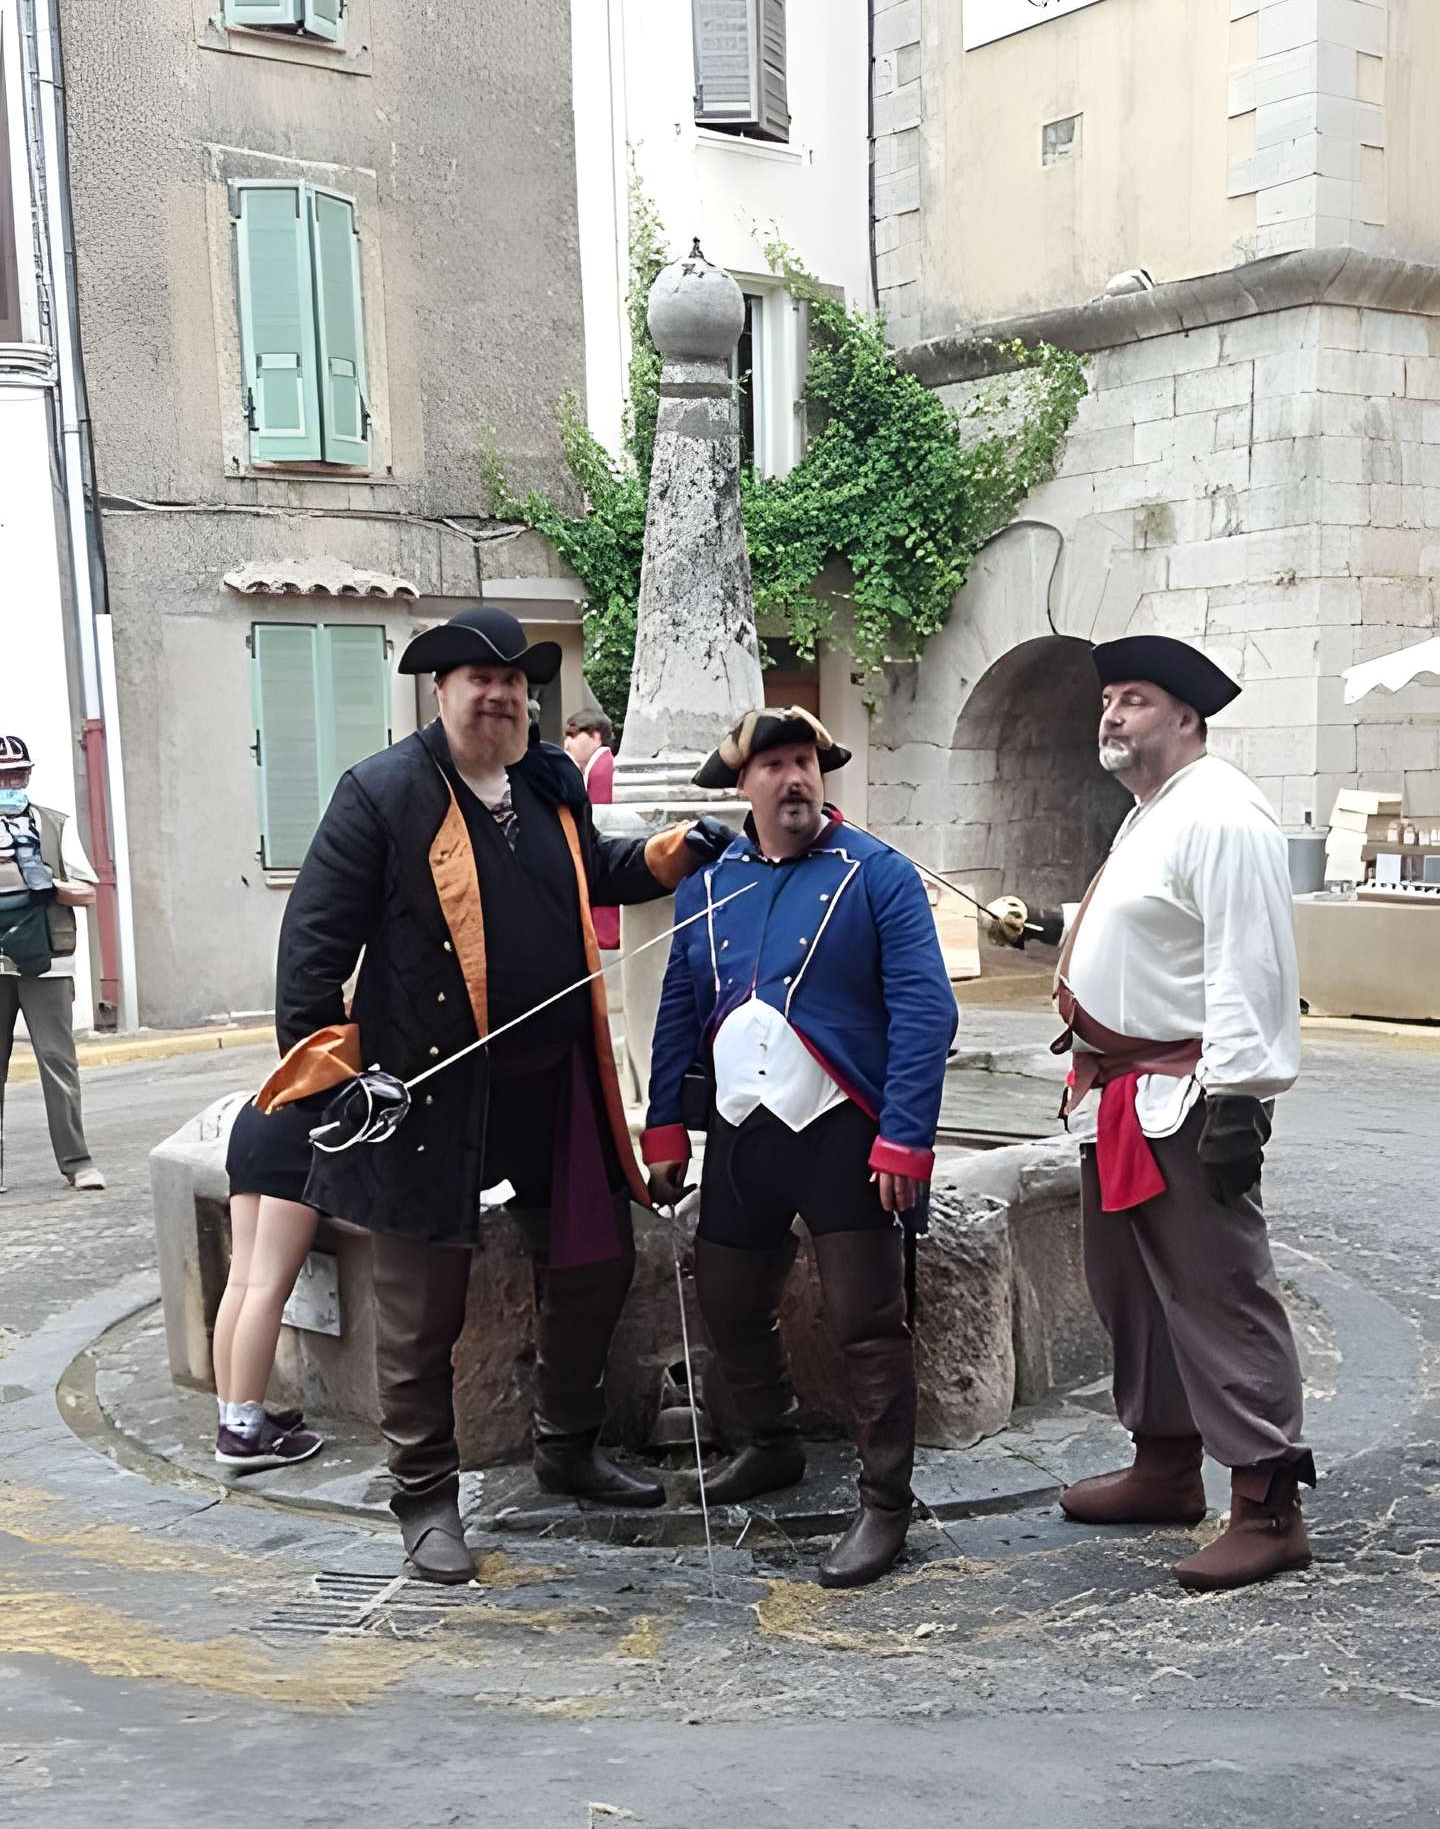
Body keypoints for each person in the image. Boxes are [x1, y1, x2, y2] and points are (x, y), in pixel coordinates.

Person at [259, 605, 731, 1585]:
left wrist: (675, 852)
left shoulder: (549, 782)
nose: (500, 694)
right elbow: (310, 949)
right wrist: (337, 1081)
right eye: (480, 678)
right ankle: (426, 1498)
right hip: (428, 1098)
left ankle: (567, 1447)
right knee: (421, 1311)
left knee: (596, 1261)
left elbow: (596, 872)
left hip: (559, 1083)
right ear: (442, 690)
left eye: (514, 680)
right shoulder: (381, 793)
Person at [985, 635, 1313, 1594]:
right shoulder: (1152, 814)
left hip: (1186, 1102)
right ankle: (1166, 1466)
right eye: (1108, 700)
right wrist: (1054, 927)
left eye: (1133, 698)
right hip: (1122, 1099)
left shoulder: (1223, 813)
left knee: (1219, 1295)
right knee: (1133, 1289)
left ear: (1186, 717)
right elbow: (1152, 928)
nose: (1112, 714)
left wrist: (1240, 1103)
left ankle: (1268, 1507)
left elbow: (1250, 961)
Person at [643, 708, 959, 1590]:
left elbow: (926, 1011)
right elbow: (676, 1010)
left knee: (866, 1321)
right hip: (740, 1131)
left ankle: (886, 1502)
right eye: (774, 764)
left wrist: (905, 1138)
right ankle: (770, 1443)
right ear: (743, 785)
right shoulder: (708, 885)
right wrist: (664, 1126)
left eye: (806, 762)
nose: (794, 778)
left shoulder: (878, 873)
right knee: (727, 1297)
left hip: (843, 1132)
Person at [0, 735, 105, 1192]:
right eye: (2, 777)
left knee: (58, 1062)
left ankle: (77, 1163)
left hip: (49, 962)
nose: (10, 784)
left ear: (28, 775)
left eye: (17, 775)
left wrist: (46, 885)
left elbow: (89, 892)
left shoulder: (54, 825)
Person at [210, 1091, 328, 1471]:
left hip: (256, 1116)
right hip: (302, 1125)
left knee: (241, 1281)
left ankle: (233, 1417)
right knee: (266, 1287)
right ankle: (243, 1434)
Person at [564, 703, 619, 950]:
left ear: (595, 736)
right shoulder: (599, 768)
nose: (567, 744)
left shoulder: (602, 770)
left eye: (573, 735)